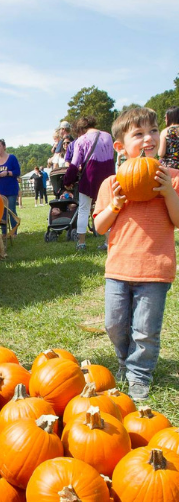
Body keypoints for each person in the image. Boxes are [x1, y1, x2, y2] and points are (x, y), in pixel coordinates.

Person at [92, 107, 179, 400]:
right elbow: (99, 226)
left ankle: (139, 374)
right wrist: (115, 204)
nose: (148, 138)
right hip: (118, 268)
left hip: (155, 269)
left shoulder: (171, 178)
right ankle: (124, 362)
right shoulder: (112, 183)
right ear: (120, 146)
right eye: (138, 134)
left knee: (145, 331)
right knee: (114, 324)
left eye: (153, 131)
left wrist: (168, 192)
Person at [63, 116, 116, 250]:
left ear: (80, 129)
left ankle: (81, 242)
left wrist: (67, 181)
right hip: (108, 176)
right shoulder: (108, 136)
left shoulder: (81, 140)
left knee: (84, 209)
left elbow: (74, 164)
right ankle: (108, 241)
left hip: (89, 177)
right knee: (107, 209)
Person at [0, 139, 21, 238]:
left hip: (11, 189)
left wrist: (8, 173)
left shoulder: (12, 158)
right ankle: (4, 233)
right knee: (2, 212)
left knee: (11, 210)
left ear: (4, 147)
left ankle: (14, 233)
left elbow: (17, 171)